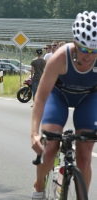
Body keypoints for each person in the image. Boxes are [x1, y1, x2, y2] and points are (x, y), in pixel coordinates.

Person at [31, 11, 97, 199]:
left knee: (85, 156)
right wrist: (34, 133)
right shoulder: (59, 58)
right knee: (50, 147)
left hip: (89, 99)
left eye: (95, 51)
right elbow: (41, 98)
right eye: (85, 49)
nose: (89, 56)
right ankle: (38, 185)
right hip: (58, 96)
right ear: (75, 44)